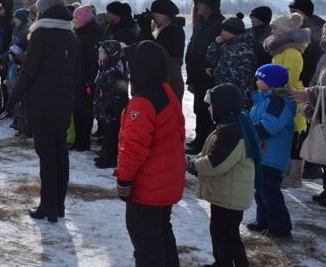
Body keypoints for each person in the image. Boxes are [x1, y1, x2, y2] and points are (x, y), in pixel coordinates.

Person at [7, 0, 78, 222]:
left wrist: (12, 98)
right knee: (60, 155)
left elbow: (29, 71)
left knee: (47, 158)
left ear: (43, 11)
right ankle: (58, 206)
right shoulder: (70, 35)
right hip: (63, 104)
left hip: (42, 104)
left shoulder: (40, 35)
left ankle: (48, 206)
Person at [115, 41, 186, 266]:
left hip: (148, 186)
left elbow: (133, 148)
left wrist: (124, 180)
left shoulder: (143, 102)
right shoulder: (166, 91)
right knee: (162, 233)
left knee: (146, 244)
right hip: (165, 182)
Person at [186, 83, 260, 267]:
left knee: (228, 237)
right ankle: (221, 262)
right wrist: (195, 160)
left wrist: (191, 165)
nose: (209, 108)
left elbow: (215, 163)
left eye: (212, 104)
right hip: (224, 194)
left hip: (230, 197)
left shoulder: (232, 133)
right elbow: (210, 153)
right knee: (218, 232)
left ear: (222, 106)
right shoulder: (228, 125)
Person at [248, 64, 295, 238]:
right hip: (262, 155)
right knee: (260, 191)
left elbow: (268, 128)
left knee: (270, 193)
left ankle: (280, 228)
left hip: (272, 157)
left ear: (272, 84)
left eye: (261, 79)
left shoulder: (279, 103)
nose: (257, 81)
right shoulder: (264, 99)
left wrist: (247, 130)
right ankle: (264, 222)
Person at [265, 12, 310, 185]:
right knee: (286, 137)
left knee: (294, 138)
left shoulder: (291, 51)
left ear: (284, 31)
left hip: (291, 96)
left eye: (275, 28)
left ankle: (294, 177)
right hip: (281, 95)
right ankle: (285, 172)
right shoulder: (281, 49)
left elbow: (290, 75)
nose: (273, 31)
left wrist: (274, 85)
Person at [185, 0, 225, 154]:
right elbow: (193, 46)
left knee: (210, 110)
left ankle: (208, 143)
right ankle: (199, 139)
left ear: (210, 5)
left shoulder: (220, 24)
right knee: (198, 108)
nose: (198, 7)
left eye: (200, 3)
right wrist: (191, 77)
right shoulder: (201, 23)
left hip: (210, 74)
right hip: (197, 73)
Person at [290, 25, 326, 205]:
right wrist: (309, 101)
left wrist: (310, 93)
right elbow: (315, 80)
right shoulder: (324, 56)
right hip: (322, 111)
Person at [135, 0, 186, 102]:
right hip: (161, 79)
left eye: (154, 13)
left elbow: (155, 50)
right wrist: (144, 29)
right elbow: (142, 48)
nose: (153, 17)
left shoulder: (174, 30)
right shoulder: (161, 29)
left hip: (170, 80)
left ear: (165, 15)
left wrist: (145, 28)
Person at [205, 13, 256, 106]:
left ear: (232, 32)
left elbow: (235, 74)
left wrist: (214, 72)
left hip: (238, 97)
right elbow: (211, 60)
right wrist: (215, 44)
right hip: (224, 93)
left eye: (224, 30)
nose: (221, 33)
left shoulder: (244, 49)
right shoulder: (226, 45)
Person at [93, 41, 129, 168]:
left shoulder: (113, 71)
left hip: (112, 110)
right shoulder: (105, 67)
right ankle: (105, 153)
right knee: (107, 134)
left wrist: (110, 108)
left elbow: (118, 93)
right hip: (105, 108)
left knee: (112, 135)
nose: (99, 54)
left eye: (102, 52)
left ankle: (110, 158)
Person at [71, 5, 102, 152]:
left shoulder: (90, 36)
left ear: (83, 19)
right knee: (77, 111)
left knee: (85, 112)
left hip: (86, 82)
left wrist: (90, 82)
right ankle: (79, 140)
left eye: (76, 18)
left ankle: (83, 142)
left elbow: (94, 63)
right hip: (77, 79)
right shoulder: (80, 34)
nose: (74, 20)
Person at [289, 0, 325, 86]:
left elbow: (312, 56)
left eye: (294, 12)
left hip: (310, 75)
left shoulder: (317, 28)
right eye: (290, 12)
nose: (291, 15)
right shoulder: (298, 26)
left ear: (304, 12)